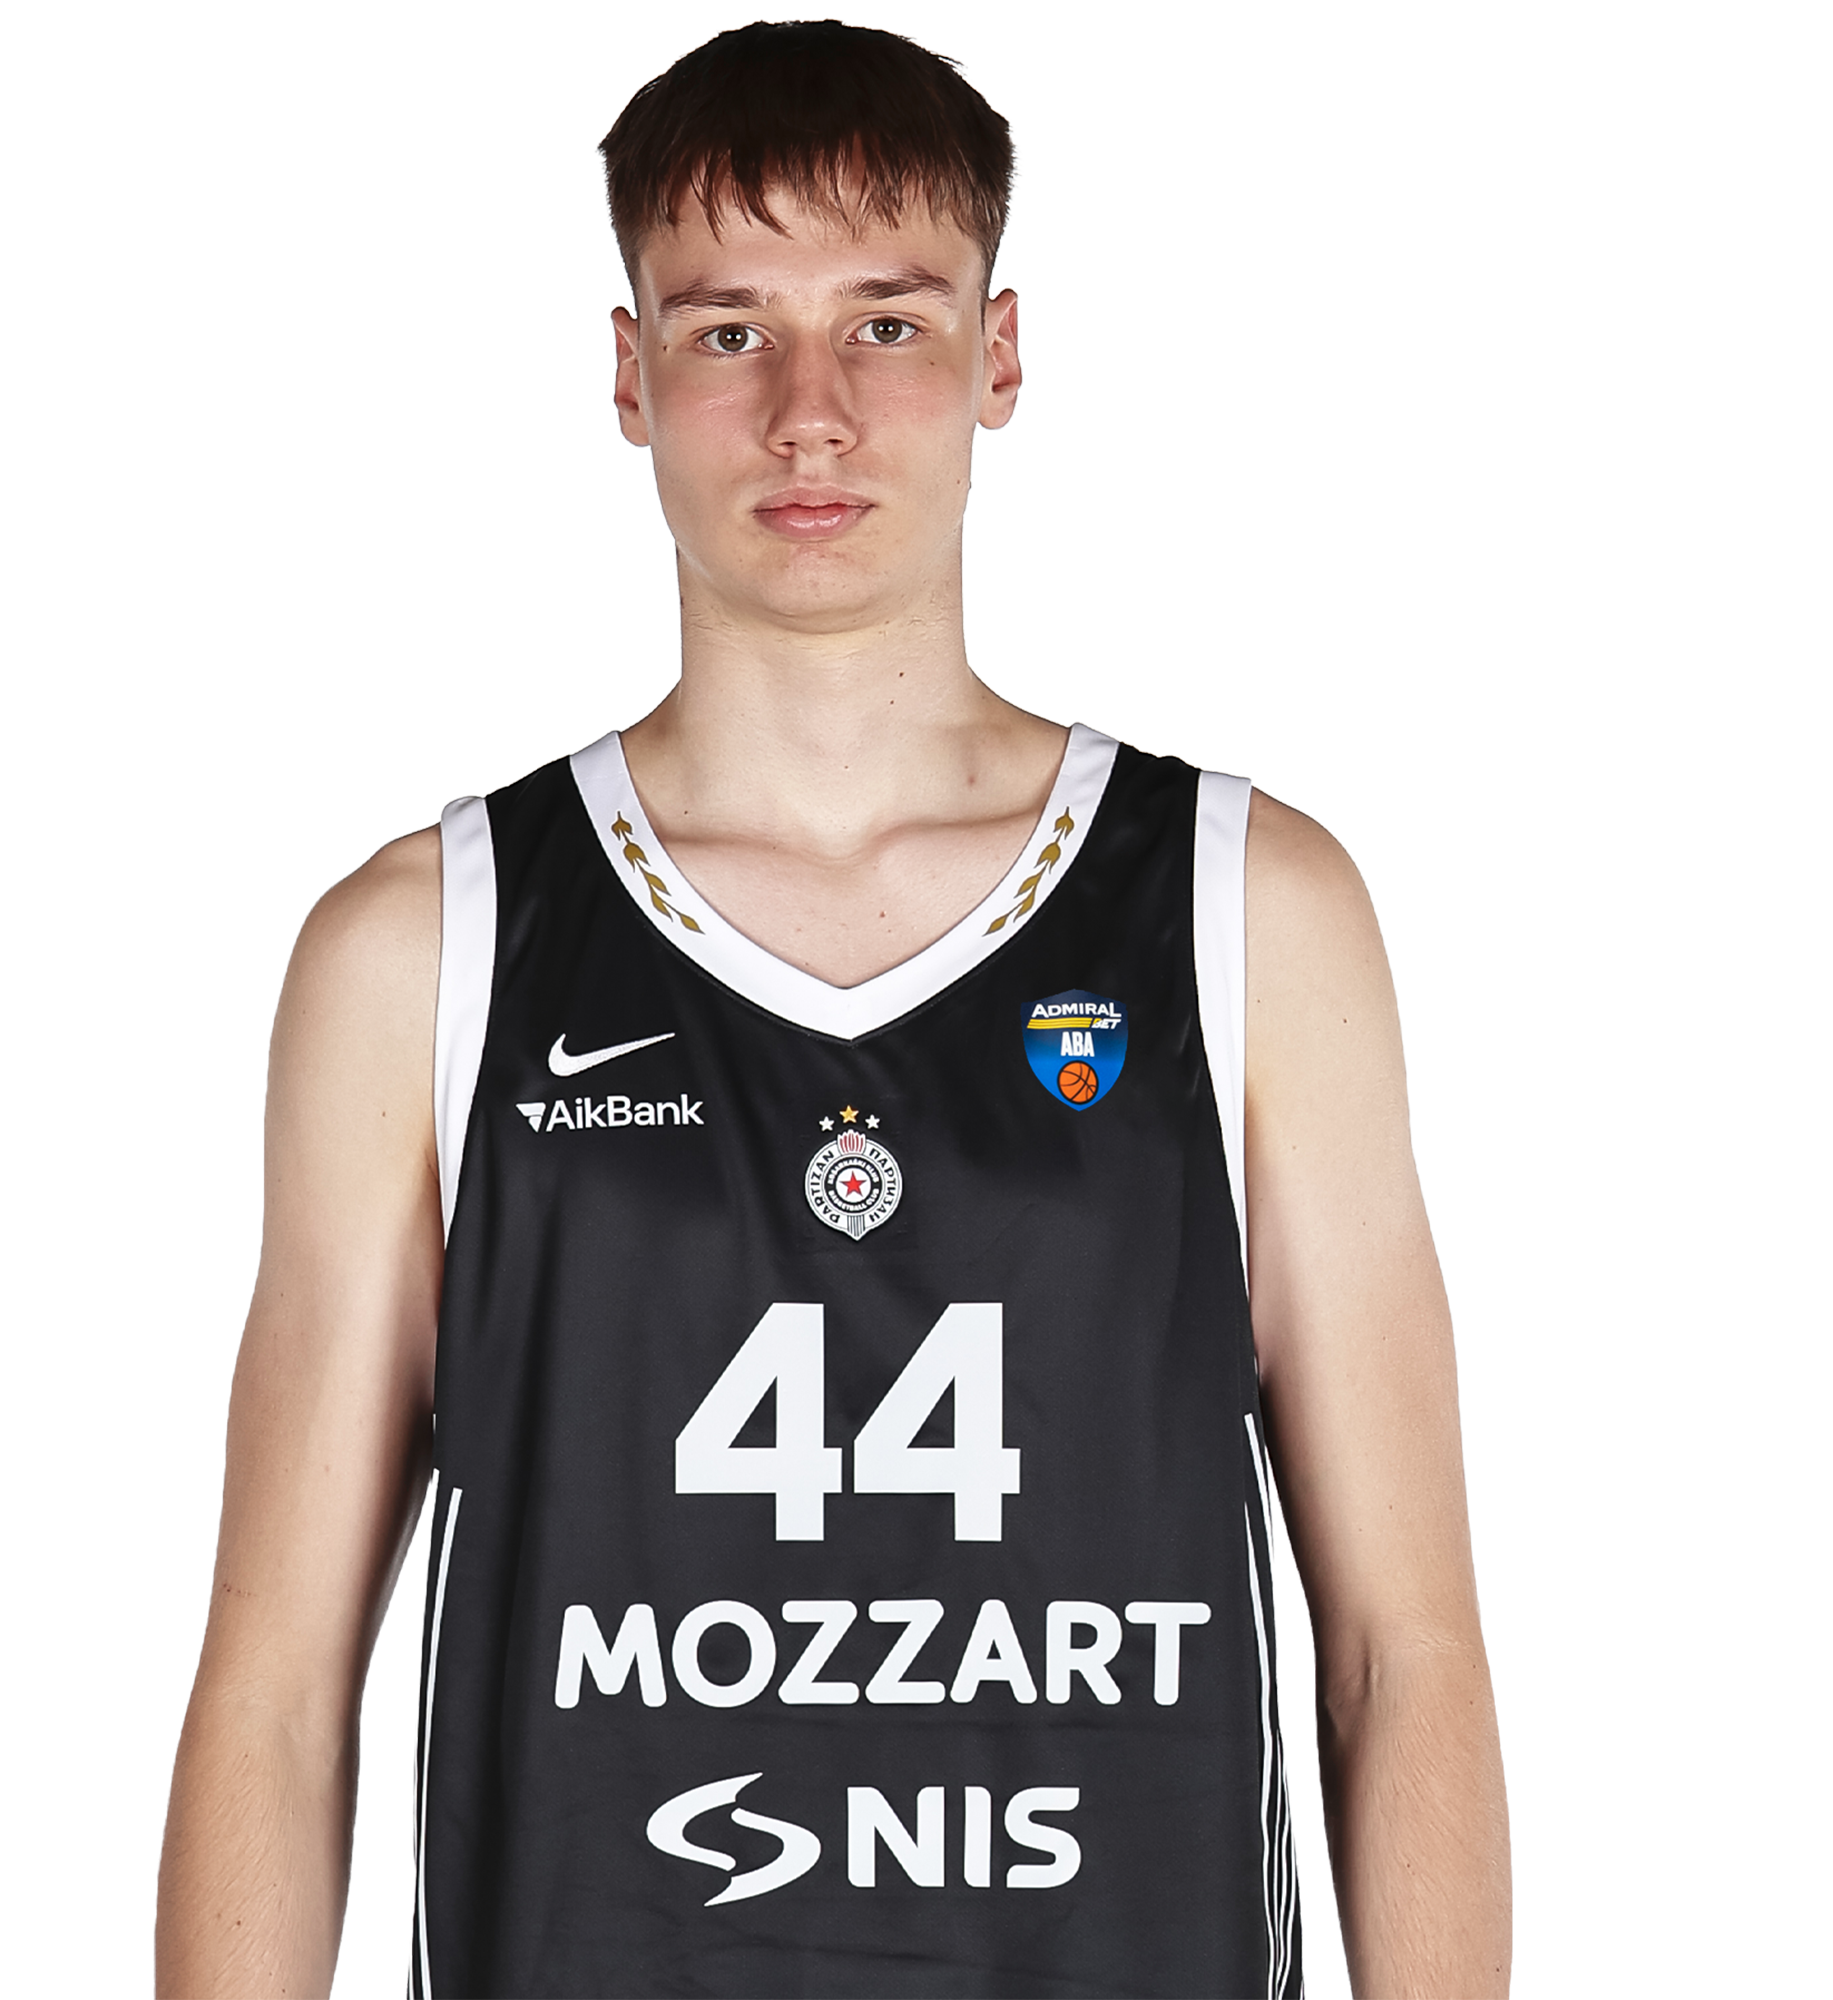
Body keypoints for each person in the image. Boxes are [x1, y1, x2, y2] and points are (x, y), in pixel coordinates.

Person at [155, 22, 1508, 1998]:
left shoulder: (1243, 909)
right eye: (729, 332)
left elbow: (1403, 1652)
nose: (810, 414)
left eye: (887, 323)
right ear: (631, 376)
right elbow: (280, 1693)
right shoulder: (427, 945)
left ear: (999, 356)